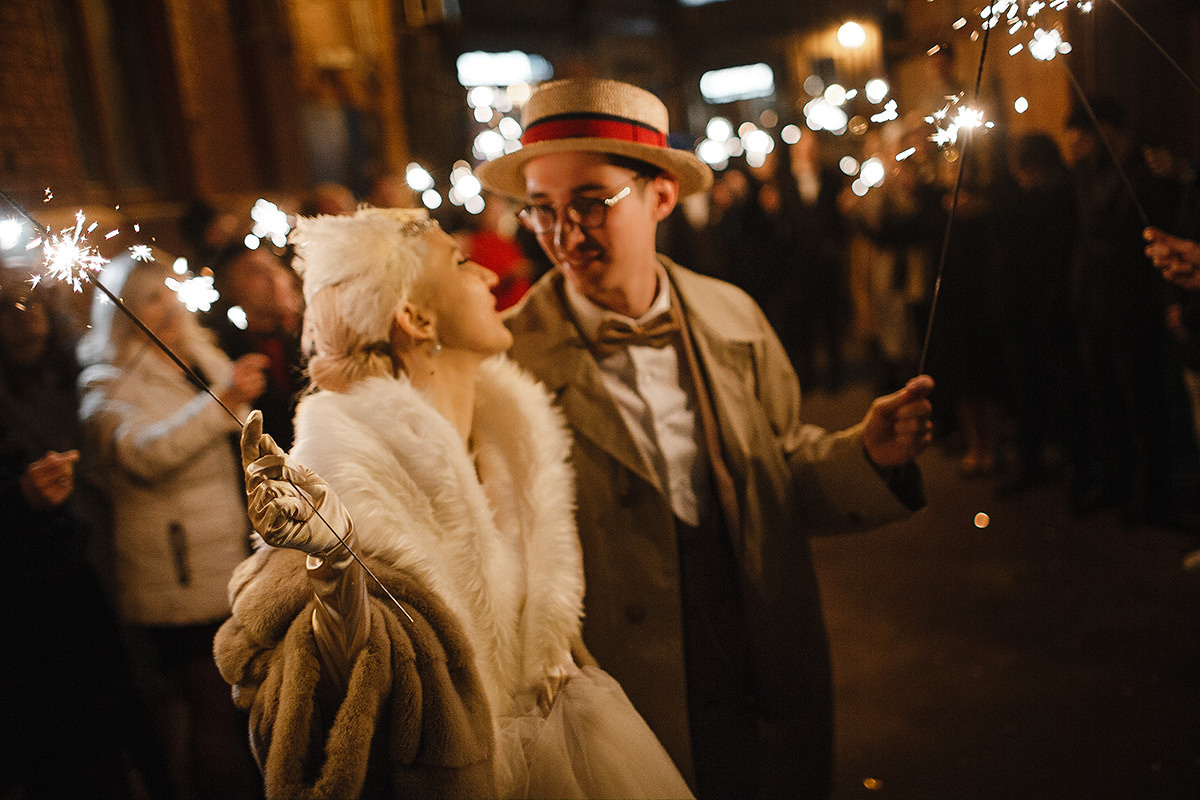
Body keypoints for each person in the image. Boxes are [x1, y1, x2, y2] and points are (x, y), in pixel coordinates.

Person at [477, 77, 934, 799]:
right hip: (617, 696)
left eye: (590, 202)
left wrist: (866, 456)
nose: (564, 235)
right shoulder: (502, 365)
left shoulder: (733, 317)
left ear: (661, 196)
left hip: (757, 661)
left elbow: (779, 468)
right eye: (542, 209)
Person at [218, 207, 692, 799]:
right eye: (462, 262)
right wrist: (332, 565)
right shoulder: (340, 475)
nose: (489, 276)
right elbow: (331, 697)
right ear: (415, 318)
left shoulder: (519, 439)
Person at [77, 257, 267, 800]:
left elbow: (234, 417)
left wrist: (238, 388)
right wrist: (224, 399)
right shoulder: (107, 382)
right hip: (177, 568)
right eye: (149, 298)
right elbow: (144, 454)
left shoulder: (198, 355)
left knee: (238, 699)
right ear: (123, 314)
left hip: (225, 552)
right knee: (212, 703)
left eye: (169, 292)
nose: (167, 307)